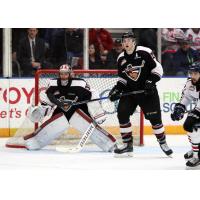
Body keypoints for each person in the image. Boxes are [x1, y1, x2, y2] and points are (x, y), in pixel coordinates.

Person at [6, 64, 116, 152]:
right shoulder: (53, 83)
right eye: (62, 74)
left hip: (79, 110)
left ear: (70, 74)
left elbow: (92, 95)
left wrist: (97, 114)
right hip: (61, 111)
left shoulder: (79, 83)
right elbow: (49, 95)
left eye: (66, 74)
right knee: (50, 126)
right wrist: (58, 103)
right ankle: (34, 141)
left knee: (90, 128)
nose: (63, 76)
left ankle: (109, 144)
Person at [109, 32, 173, 157]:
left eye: (129, 40)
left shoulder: (145, 52)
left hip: (147, 92)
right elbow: (123, 79)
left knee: (155, 120)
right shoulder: (121, 58)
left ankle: (163, 142)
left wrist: (150, 81)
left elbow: (158, 69)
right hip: (130, 92)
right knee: (122, 114)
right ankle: (128, 145)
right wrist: (117, 90)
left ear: (134, 42)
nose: (126, 43)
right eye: (124, 41)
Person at [171, 61, 200, 169]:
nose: (192, 76)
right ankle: (195, 149)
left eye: (195, 73)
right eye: (191, 73)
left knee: (195, 127)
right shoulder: (190, 83)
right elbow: (187, 97)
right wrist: (180, 108)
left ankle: (197, 156)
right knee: (189, 126)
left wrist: (195, 113)